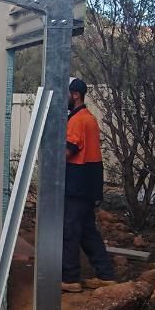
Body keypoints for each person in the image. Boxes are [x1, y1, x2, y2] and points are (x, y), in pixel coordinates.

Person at [62, 78, 116, 293]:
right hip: (87, 183)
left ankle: (70, 278)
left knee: (70, 231)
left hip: (77, 183)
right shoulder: (88, 118)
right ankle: (106, 275)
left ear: (75, 95)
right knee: (87, 231)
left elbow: (68, 151)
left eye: (65, 93)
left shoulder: (77, 121)